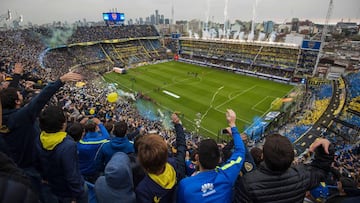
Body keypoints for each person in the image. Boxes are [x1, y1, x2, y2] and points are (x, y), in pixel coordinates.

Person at [0, 71, 83, 195]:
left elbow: (9, 99)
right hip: (29, 167)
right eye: (19, 94)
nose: (21, 94)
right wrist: (60, 80)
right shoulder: (21, 117)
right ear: (17, 102)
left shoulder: (5, 118)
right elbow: (40, 99)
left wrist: (24, 90)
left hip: (14, 163)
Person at [234, 134, 335, 203]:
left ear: (263, 156)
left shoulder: (248, 182)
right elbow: (321, 170)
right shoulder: (301, 176)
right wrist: (326, 148)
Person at [177, 109, 245, 203]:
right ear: (219, 159)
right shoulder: (226, 174)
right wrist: (233, 125)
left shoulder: (185, 185)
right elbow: (240, 151)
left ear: (197, 158)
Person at [36, 105, 87, 203]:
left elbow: (37, 163)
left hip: (51, 185)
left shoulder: (40, 137)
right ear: (63, 124)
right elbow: (72, 176)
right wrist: (77, 196)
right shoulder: (68, 145)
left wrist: (44, 178)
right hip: (65, 192)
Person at [135, 113, 186, 203]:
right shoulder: (176, 164)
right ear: (166, 154)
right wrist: (177, 124)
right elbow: (181, 146)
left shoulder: (143, 189)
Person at [77, 117, 110, 183]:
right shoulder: (101, 141)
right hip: (94, 172)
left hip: (80, 172)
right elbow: (107, 137)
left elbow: (75, 132)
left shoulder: (79, 142)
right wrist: (100, 124)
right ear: (96, 128)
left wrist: (80, 124)